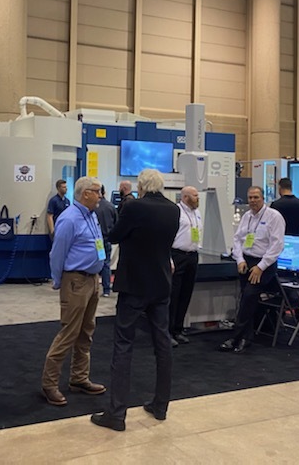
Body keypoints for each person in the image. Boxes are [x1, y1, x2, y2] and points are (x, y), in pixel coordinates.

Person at [90, 169, 180, 431]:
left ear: (140, 186)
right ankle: (161, 405)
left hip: (134, 285)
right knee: (162, 343)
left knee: (123, 345)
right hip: (161, 284)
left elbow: (115, 235)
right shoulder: (173, 210)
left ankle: (117, 413)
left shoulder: (133, 207)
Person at [41, 176, 107, 407]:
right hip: (76, 281)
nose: (100, 195)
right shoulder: (69, 219)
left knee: (86, 332)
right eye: (97, 191)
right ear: (85, 193)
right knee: (69, 332)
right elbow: (57, 253)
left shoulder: (91, 215)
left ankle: (79, 378)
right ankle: (49, 384)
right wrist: (59, 280)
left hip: (92, 280)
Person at [219, 186, 285, 355]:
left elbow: (277, 246)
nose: (253, 201)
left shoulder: (274, 217)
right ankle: (245, 337)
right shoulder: (247, 216)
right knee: (245, 299)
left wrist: (261, 267)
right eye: (250, 198)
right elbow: (237, 239)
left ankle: (237, 338)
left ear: (263, 198)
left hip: (264, 264)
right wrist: (239, 259)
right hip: (247, 262)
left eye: (256, 197)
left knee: (249, 296)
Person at [169, 186, 202, 347]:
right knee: (173, 295)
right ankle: (168, 331)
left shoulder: (197, 212)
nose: (198, 198)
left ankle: (178, 329)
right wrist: (169, 259)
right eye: (195, 196)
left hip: (192, 256)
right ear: (185, 197)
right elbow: (168, 236)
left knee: (186, 293)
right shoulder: (176, 212)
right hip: (178, 255)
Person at [94, 185, 118, 297]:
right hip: (107, 239)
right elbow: (116, 223)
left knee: (95, 263)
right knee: (106, 264)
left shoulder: (93, 207)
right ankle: (106, 289)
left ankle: (93, 288)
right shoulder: (111, 206)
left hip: (97, 241)